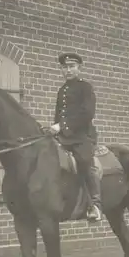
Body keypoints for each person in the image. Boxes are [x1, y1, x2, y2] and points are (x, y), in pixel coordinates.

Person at [50, 52, 102, 222]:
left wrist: (62, 127)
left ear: (79, 68)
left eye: (71, 66)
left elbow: (87, 113)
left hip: (82, 137)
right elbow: (59, 115)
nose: (68, 70)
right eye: (64, 67)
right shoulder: (61, 90)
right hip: (64, 137)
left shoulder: (85, 88)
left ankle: (95, 205)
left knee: (85, 162)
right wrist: (54, 129)